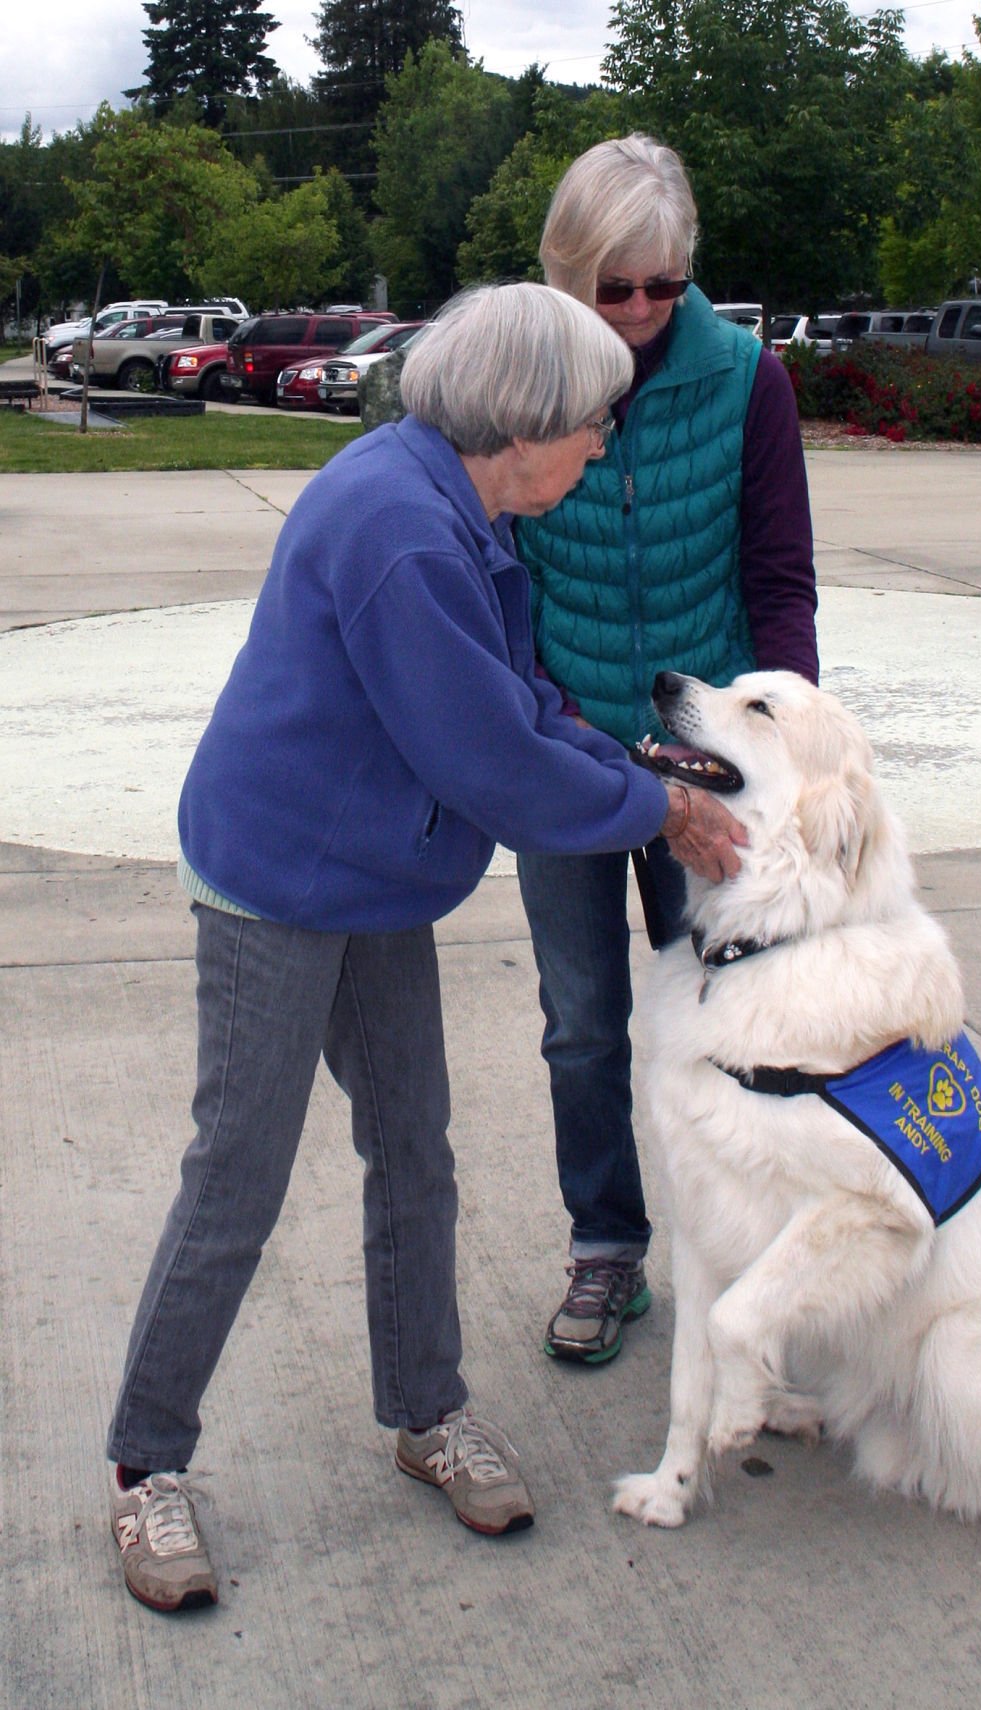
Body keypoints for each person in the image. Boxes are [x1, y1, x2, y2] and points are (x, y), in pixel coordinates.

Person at [105, 282, 746, 1613]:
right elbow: (488, 759)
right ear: (526, 423)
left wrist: (634, 770)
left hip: (376, 873)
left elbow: (523, 702)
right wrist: (661, 807)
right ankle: (145, 1466)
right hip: (277, 877)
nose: (602, 450)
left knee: (413, 1151)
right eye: (594, 428)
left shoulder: (465, 504)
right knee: (238, 1177)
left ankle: (426, 1409)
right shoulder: (405, 530)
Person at [514, 135, 819, 1366]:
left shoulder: (749, 379)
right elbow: (501, 583)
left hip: (711, 766)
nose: (639, 313)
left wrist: (781, 752)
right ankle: (606, 1248)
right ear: (568, 274)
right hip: (563, 756)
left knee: (747, 1010)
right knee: (584, 1023)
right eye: (613, 288)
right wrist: (557, 733)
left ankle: (759, 1253)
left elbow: (780, 584)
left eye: (663, 286)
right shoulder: (527, 383)